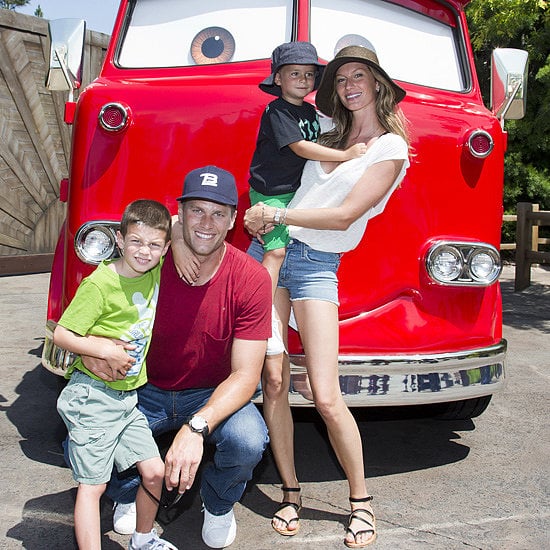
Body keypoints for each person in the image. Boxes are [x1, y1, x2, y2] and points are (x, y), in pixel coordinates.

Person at [244, 44, 410, 548]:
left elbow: (342, 216)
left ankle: (360, 502)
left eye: (358, 75)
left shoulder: (390, 149)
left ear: (378, 83)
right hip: (270, 251)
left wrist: (277, 216)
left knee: (325, 393)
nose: (348, 85)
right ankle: (291, 492)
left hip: (316, 266)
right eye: (340, 79)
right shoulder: (323, 131)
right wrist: (261, 215)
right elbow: (278, 178)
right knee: (272, 379)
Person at [83, 166, 272, 549]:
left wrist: (196, 427)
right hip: (142, 385)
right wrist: (97, 353)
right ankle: (126, 493)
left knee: (248, 440)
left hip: (208, 392)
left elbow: (246, 375)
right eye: (196, 210)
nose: (206, 223)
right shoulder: (149, 258)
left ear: (234, 220)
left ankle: (218, 503)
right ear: (180, 214)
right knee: (93, 418)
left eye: (219, 213)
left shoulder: (252, 278)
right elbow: (98, 313)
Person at [54, 199, 176, 550]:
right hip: (92, 396)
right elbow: (63, 334)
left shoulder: (154, 271)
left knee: (154, 472)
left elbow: (180, 228)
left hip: (127, 398)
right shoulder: (101, 284)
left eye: (154, 245)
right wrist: (104, 349)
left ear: (164, 249)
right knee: (93, 487)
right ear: (119, 240)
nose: (144, 251)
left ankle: (142, 539)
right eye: (136, 241)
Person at [248, 41, 367, 356]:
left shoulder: (311, 112)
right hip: (271, 194)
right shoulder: (277, 111)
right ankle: (264, 321)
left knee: (287, 249)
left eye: (309, 74)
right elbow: (300, 147)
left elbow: (331, 129)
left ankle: (298, 314)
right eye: (294, 73)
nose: (303, 80)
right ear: (278, 79)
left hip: (295, 194)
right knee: (274, 254)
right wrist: (345, 155)